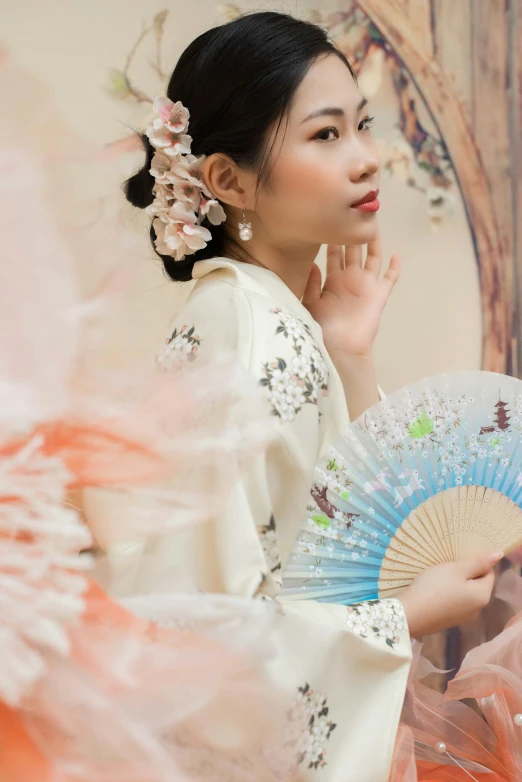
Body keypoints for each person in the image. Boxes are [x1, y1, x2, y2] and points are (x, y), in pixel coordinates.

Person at [120, 12, 501, 781]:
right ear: (227, 180)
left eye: (362, 125)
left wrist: (350, 355)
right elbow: (202, 625)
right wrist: (405, 618)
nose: (367, 159)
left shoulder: (278, 319)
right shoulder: (238, 323)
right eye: (325, 136)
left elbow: (381, 531)